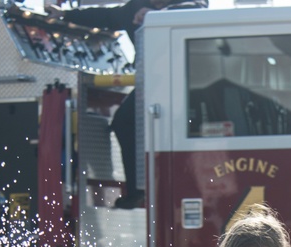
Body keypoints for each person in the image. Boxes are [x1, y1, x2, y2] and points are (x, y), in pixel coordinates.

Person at [47, 0, 208, 209]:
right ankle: (137, 190)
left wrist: (156, 16)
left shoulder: (187, 4)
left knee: (186, 133)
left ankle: (189, 183)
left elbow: (199, 9)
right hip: (153, 83)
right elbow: (105, 17)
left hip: (190, 85)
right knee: (123, 122)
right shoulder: (134, 7)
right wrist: (65, 15)